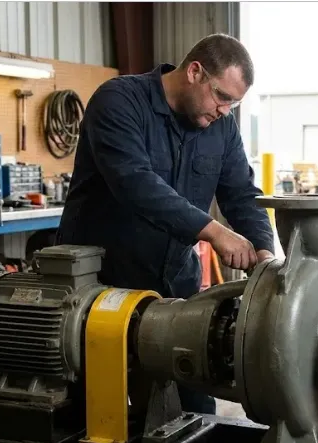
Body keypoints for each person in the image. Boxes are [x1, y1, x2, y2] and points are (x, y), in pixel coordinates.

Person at [55, 34, 276, 412]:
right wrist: (214, 232)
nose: (225, 111)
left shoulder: (221, 128)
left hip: (176, 287)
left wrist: (264, 251)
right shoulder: (119, 101)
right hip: (100, 291)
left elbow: (240, 193)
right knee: (96, 416)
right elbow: (134, 183)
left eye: (234, 104)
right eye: (222, 97)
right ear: (194, 72)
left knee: (195, 410)